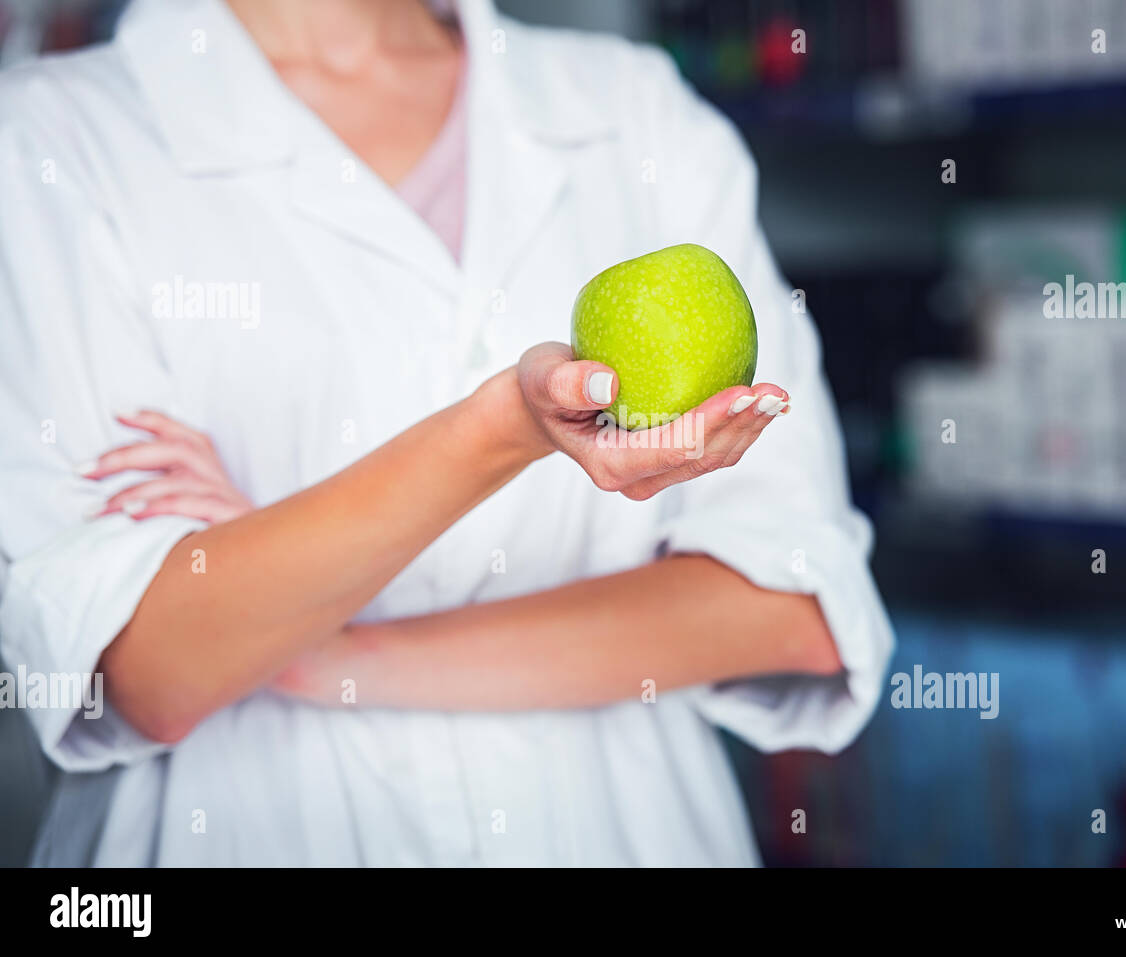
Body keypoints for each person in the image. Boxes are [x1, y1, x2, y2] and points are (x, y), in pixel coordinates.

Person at [0, 0, 894, 866]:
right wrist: (504, 427)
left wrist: (318, 647)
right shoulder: (53, 140)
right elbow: (148, 670)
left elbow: (793, 611)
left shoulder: (632, 110)